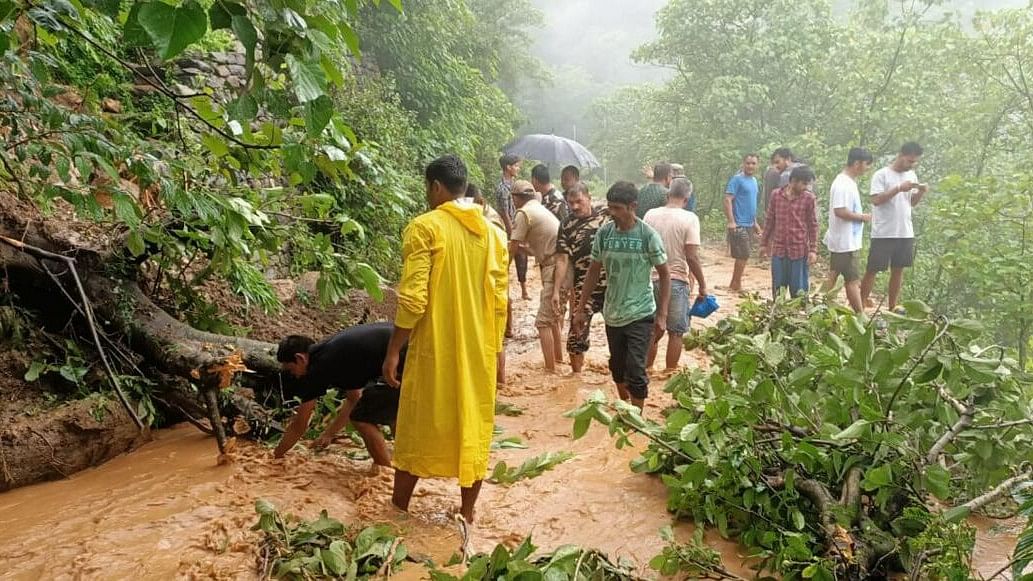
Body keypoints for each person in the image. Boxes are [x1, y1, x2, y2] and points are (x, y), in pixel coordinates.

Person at [382, 155, 508, 524]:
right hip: (478, 351)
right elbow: (500, 300)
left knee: (418, 424)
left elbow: (414, 298)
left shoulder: (425, 227)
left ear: (436, 186)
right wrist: (496, 353)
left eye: (427, 188)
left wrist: (393, 350)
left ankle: (398, 512)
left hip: (434, 348)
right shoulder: (494, 234)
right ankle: (467, 514)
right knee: (474, 426)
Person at [574, 181, 671, 411]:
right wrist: (580, 309)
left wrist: (662, 315)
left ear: (632, 206)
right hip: (613, 313)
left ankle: (637, 419)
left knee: (636, 369)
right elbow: (593, 271)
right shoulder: (605, 234)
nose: (612, 213)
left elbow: (665, 275)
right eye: (610, 208)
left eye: (617, 208)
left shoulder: (648, 235)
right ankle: (625, 409)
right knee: (617, 368)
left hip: (641, 312)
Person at [274, 324, 406, 467]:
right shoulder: (331, 353)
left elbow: (299, 425)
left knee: (362, 419)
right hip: (413, 352)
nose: (294, 375)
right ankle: (405, 466)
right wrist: (328, 434)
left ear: (300, 358)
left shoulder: (318, 368)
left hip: (404, 359)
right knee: (393, 415)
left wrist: (276, 457)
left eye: (290, 369)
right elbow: (354, 398)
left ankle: (384, 474)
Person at [643, 179, 707, 371]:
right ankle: (670, 372)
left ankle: (645, 371)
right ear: (687, 199)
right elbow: (692, 257)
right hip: (676, 282)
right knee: (676, 332)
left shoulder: (650, 215)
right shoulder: (690, 219)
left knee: (651, 330)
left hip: (649, 280)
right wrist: (703, 285)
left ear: (667, 195)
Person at [860, 142, 929, 312]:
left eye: (914, 162)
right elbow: (875, 200)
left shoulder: (912, 175)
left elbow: (911, 203)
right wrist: (898, 188)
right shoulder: (881, 175)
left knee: (898, 270)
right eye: (909, 161)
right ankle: (859, 304)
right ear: (900, 155)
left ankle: (892, 306)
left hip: (905, 231)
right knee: (873, 269)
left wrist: (920, 192)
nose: (911, 165)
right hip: (884, 231)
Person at [552, 182, 609, 373]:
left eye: (579, 201)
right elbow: (562, 259)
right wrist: (557, 291)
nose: (575, 206)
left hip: (613, 287)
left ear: (589, 197)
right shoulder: (567, 225)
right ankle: (576, 380)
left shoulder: (607, 216)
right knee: (576, 338)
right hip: (584, 289)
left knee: (620, 335)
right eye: (570, 203)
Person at [510, 180, 564, 373]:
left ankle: (550, 371)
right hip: (560, 266)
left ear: (517, 198)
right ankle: (559, 360)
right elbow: (535, 247)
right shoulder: (539, 209)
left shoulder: (524, 213)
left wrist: (501, 270)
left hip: (554, 268)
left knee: (542, 322)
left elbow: (513, 246)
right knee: (553, 318)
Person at [821, 148, 873, 313]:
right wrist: (862, 217)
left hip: (845, 240)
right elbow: (840, 211)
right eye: (866, 165)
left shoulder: (848, 182)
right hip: (845, 241)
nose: (867, 168)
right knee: (851, 280)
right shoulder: (843, 184)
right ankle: (860, 314)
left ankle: (821, 305)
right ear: (857, 163)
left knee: (835, 274)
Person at [470, 183, 509, 383]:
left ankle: (499, 380)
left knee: (494, 339)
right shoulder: (481, 219)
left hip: (492, 286)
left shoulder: (490, 224)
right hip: (487, 285)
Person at [761, 165, 819, 299]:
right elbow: (770, 220)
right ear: (793, 181)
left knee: (798, 290)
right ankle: (778, 314)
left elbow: (813, 225)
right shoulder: (776, 195)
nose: (806, 187)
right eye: (804, 183)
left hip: (798, 250)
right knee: (778, 288)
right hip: (779, 250)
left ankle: (798, 316)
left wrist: (813, 250)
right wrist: (763, 244)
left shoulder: (808, 198)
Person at [723, 154, 762, 292]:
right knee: (743, 255)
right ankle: (736, 284)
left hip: (749, 223)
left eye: (753, 163)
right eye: (748, 163)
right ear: (743, 164)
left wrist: (755, 223)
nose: (750, 166)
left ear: (757, 165)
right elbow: (728, 199)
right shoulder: (737, 180)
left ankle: (734, 283)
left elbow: (751, 204)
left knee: (744, 255)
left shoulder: (754, 181)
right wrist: (731, 221)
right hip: (739, 223)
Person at [496, 154, 529, 301]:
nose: (518, 168)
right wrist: (511, 231)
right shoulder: (502, 188)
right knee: (507, 259)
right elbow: (503, 211)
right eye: (515, 165)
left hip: (518, 224)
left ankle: (524, 289)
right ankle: (504, 289)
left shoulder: (516, 184)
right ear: (508, 167)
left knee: (522, 258)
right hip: (508, 227)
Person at [763, 148, 792, 219]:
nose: (775, 166)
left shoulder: (787, 174)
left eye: (777, 162)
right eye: (773, 163)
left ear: (787, 159)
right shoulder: (804, 169)